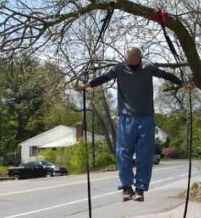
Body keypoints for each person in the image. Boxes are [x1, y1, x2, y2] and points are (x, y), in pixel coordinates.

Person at [75, 47, 193, 202]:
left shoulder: (148, 67)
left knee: (145, 154)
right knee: (123, 153)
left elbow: (166, 75)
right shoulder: (119, 68)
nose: (132, 66)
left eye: (135, 64)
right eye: (130, 63)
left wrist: (182, 83)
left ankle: (140, 189)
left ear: (140, 59)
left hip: (146, 117)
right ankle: (126, 187)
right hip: (126, 118)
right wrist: (86, 86)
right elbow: (103, 78)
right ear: (126, 59)